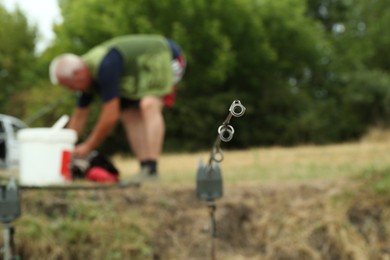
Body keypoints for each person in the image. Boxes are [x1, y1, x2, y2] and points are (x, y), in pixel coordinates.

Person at [49, 35, 186, 181]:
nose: (71, 89)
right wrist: (65, 148)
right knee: (128, 113)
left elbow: (110, 116)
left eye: (70, 85)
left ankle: (152, 168)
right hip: (137, 74)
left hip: (164, 56)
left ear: (78, 74)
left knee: (148, 104)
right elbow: (79, 117)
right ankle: (145, 167)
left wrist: (88, 146)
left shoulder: (106, 66)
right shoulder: (87, 76)